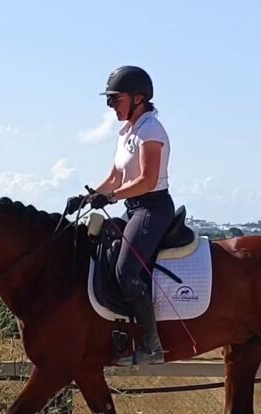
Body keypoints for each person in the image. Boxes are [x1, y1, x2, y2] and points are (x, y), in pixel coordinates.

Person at [66, 65, 175, 365]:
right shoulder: (127, 132)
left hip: (152, 207)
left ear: (139, 99)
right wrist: (87, 198)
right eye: (109, 100)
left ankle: (153, 346)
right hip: (133, 208)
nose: (110, 106)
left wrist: (110, 197)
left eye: (115, 99)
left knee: (127, 271)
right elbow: (114, 177)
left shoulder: (151, 131)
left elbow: (147, 180)